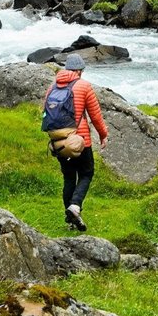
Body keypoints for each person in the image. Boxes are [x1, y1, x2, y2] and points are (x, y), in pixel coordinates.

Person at [42, 53, 108, 231]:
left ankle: (72, 220)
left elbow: (46, 114)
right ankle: (75, 206)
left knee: (69, 178)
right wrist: (103, 135)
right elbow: (95, 115)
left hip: (59, 143)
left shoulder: (52, 86)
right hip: (80, 141)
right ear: (79, 71)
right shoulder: (84, 86)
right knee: (86, 173)